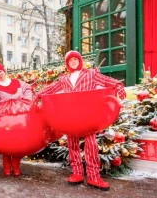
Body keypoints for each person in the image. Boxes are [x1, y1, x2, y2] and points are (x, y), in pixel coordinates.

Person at [39, 50, 126, 191]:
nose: (73, 62)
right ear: (67, 64)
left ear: (80, 61)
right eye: (70, 60)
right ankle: (77, 173)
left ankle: (93, 176)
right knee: (72, 144)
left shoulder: (90, 74)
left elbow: (105, 80)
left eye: (76, 59)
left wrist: (118, 85)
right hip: (71, 116)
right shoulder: (64, 79)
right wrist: (39, 95)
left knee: (91, 145)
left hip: (88, 115)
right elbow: (51, 88)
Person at [0, 63, 33, 176]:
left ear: (4, 71)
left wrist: (26, 99)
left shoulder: (16, 82)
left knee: (18, 140)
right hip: (4, 115)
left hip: (20, 112)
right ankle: (6, 166)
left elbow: (27, 88)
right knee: (5, 140)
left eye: (0, 72)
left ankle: (16, 166)